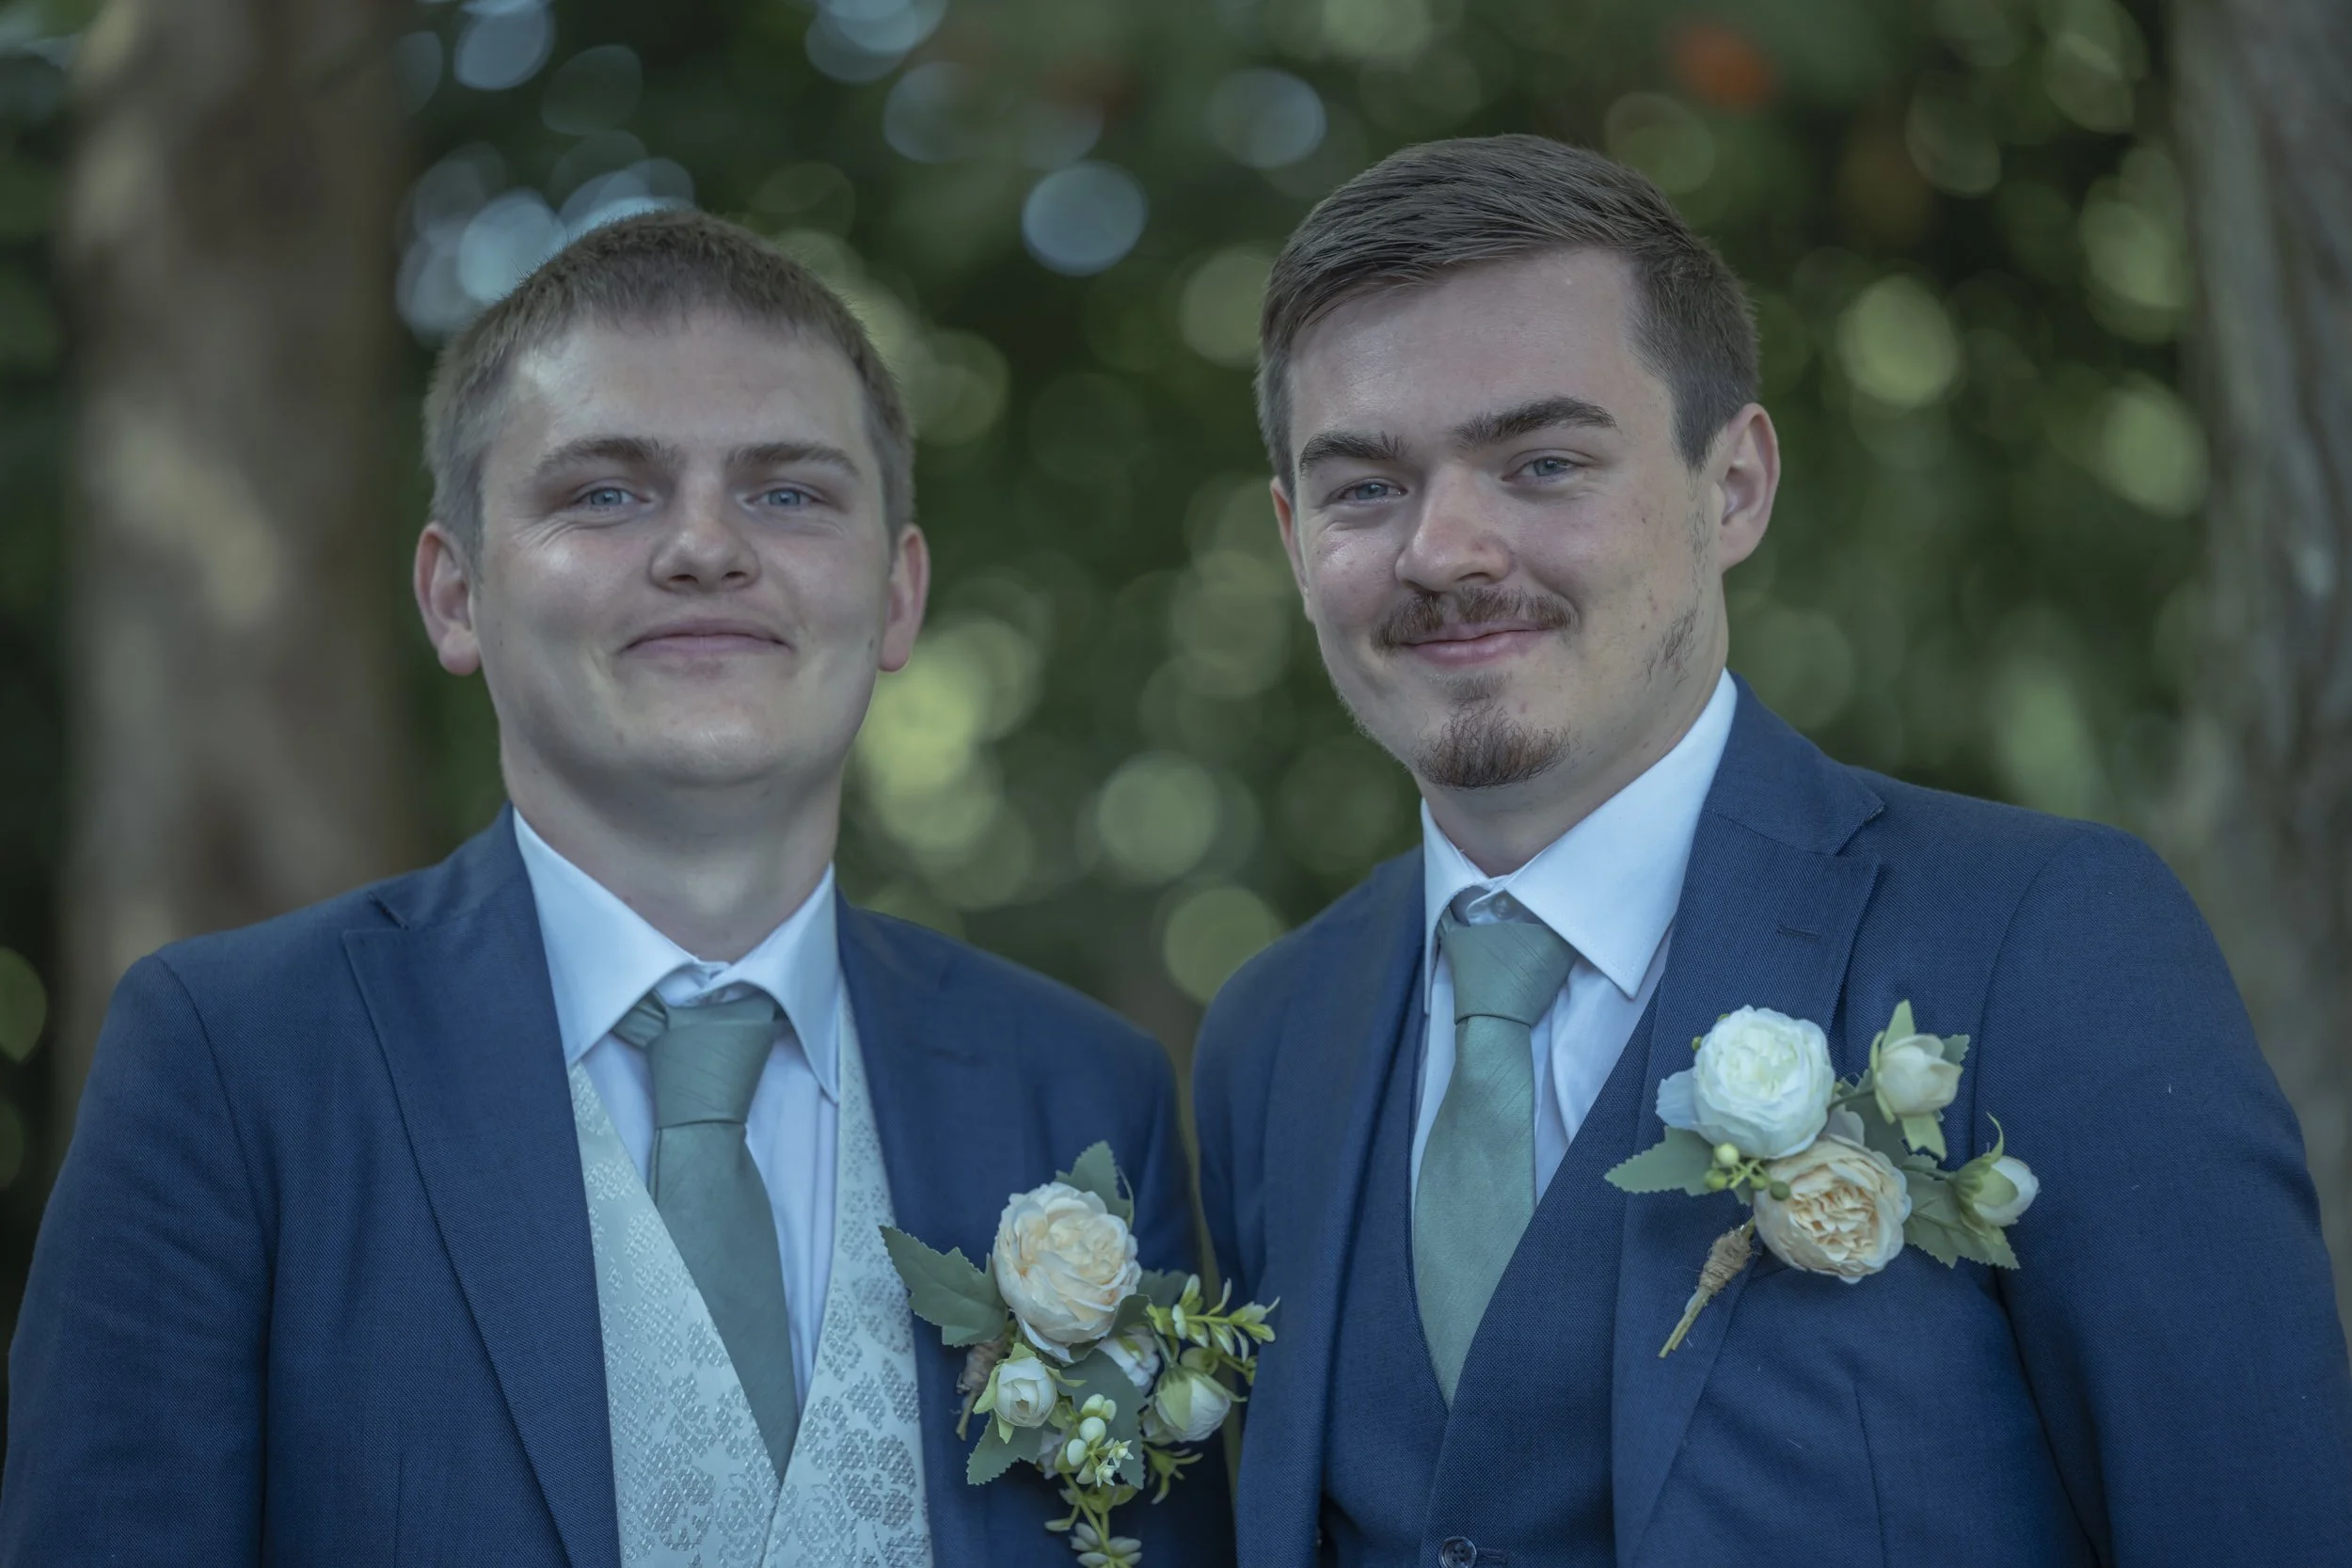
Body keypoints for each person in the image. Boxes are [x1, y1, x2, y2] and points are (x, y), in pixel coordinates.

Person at [2, 210, 1231, 1568]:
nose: (706, 546)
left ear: (896, 594)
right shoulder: (237, 1063)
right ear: (454, 593)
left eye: (789, 492)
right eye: (605, 491)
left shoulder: (1074, 1089)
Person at [1192, 135, 2352, 1568]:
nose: (1445, 547)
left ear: (1732, 485)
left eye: (1543, 461)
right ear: (1296, 540)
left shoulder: (2044, 938)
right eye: (1366, 488)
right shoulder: (1269, 1042)